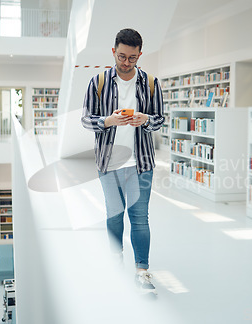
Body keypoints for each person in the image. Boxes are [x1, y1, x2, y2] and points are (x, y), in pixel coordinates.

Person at [81, 28, 164, 295]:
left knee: (139, 218)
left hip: (141, 163)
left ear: (140, 55)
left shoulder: (151, 83)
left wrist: (146, 120)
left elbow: (160, 119)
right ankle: (115, 263)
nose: (126, 62)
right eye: (121, 56)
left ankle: (142, 271)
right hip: (109, 162)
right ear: (113, 51)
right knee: (114, 216)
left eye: (132, 57)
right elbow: (86, 119)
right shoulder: (98, 82)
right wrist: (109, 121)